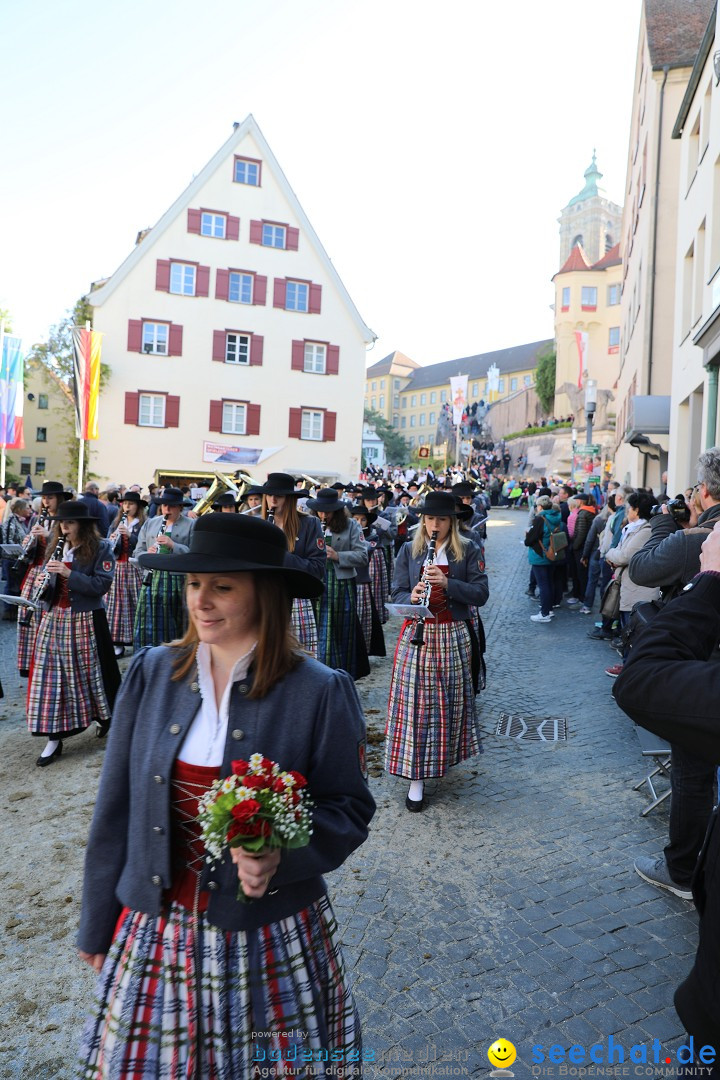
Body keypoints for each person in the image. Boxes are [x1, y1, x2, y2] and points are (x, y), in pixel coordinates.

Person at [76, 512, 375, 1076]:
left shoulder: (318, 691)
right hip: (154, 929)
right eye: (194, 584)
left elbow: (349, 808)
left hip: (266, 934)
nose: (201, 600)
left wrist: (280, 856)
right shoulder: (151, 672)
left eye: (222, 586)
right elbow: (115, 809)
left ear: (265, 594)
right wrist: (97, 922)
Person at [613, 522, 720, 1053]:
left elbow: (640, 679)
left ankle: (680, 864)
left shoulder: (692, 538)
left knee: (692, 777)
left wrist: (711, 579)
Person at [386, 491, 488, 811]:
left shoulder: (469, 549)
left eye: (442, 519)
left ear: (453, 521)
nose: (435, 525)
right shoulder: (408, 549)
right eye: (430, 518)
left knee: (446, 706)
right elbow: (396, 592)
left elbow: (481, 593)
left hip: (452, 634)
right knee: (415, 705)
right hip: (416, 636)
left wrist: (447, 584)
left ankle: (440, 760)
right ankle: (416, 779)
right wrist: (411, 596)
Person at [26, 501, 121, 766]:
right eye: (61, 523)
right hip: (55, 617)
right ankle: (53, 738)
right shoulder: (57, 546)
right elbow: (48, 585)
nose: (64, 528)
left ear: (83, 525)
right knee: (49, 677)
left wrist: (69, 573)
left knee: (92, 675)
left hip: (86, 618)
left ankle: (105, 716)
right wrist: (42, 586)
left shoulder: (101, 548)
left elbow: (101, 586)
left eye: (69, 523)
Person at [306, 488, 369, 680]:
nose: (324, 515)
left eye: (328, 511)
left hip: (340, 585)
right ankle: (317, 675)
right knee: (318, 631)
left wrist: (337, 555)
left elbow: (363, 556)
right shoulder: (311, 524)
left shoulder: (351, 525)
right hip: (316, 580)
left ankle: (341, 677)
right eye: (320, 511)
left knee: (341, 632)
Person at [260, 472, 326, 656]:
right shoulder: (260, 525)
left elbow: (317, 568)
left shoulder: (310, 524)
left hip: (296, 602)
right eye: (269, 495)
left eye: (279, 495)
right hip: (264, 600)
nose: (272, 500)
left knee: (296, 661)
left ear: (289, 499)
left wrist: (280, 556)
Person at [603, 491, 660, 678]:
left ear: (636, 510)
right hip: (629, 587)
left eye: (630, 508)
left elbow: (624, 555)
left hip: (637, 591)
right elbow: (620, 552)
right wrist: (615, 556)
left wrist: (611, 555)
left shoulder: (645, 531)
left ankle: (630, 674)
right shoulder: (635, 528)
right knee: (627, 632)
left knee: (633, 634)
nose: (627, 511)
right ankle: (627, 667)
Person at [16, 481, 70, 676]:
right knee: (27, 616)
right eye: (44, 498)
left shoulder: (65, 521)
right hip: (34, 572)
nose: (46, 502)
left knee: (44, 618)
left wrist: (47, 536)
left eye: (50, 498)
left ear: (59, 499)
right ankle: (28, 663)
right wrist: (27, 543)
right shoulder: (38, 519)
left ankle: (45, 663)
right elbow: (31, 551)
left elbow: (66, 549)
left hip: (52, 571)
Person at [133, 486, 194, 649]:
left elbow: (194, 555)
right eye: (164, 505)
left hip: (177, 579)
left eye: (172, 505)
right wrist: (147, 554)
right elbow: (138, 551)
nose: (167, 509)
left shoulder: (191, 525)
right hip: (152, 579)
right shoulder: (151, 523)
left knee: (176, 621)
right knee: (149, 621)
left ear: (180, 507)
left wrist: (174, 545)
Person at [105, 491, 147, 657]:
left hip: (133, 568)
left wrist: (130, 535)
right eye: (125, 504)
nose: (127, 507)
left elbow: (144, 543)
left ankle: (136, 640)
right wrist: (113, 538)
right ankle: (117, 642)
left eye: (131, 504)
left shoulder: (143, 524)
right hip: (117, 567)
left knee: (134, 603)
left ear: (138, 507)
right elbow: (107, 545)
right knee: (115, 606)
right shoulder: (116, 523)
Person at [523, 495, 564, 623]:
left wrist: (527, 535)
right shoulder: (556, 517)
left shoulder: (540, 519)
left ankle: (545, 613)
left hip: (540, 555)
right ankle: (549, 609)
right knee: (549, 582)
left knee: (543, 584)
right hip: (552, 553)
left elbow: (530, 540)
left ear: (540, 506)